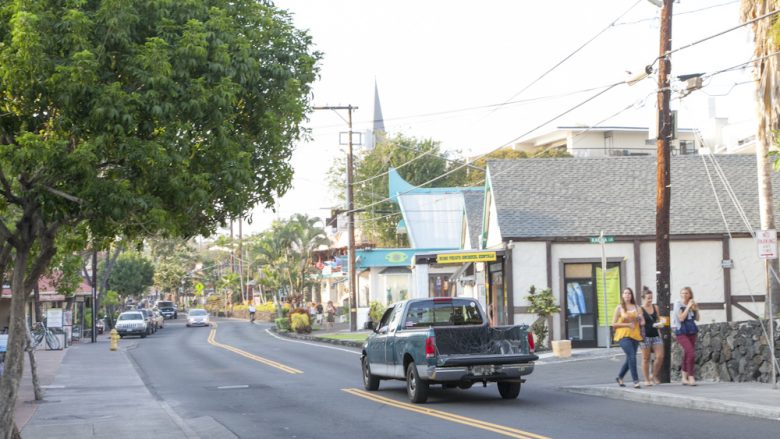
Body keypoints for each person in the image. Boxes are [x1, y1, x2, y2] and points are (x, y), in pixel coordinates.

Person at [612, 287, 644, 389]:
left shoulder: (637, 307)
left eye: (629, 293)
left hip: (635, 335)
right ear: (622, 295)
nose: (627, 295)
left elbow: (643, 322)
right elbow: (613, 324)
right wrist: (627, 325)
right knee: (632, 356)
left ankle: (620, 377)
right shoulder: (619, 308)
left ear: (632, 295)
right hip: (623, 335)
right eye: (625, 293)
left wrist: (639, 319)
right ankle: (636, 381)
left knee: (630, 358)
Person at [672, 286, 700, 386]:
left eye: (686, 293)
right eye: (682, 293)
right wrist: (688, 307)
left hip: (692, 331)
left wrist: (696, 308)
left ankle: (684, 378)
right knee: (690, 353)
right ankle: (691, 376)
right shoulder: (678, 304)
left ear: (690, 295)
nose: (684, 295)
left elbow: (697, 319)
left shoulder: (691, 304)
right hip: (681, 331)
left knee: (687, 354)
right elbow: (681, 318)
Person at [639, 287, 664, 386]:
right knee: (646, 358)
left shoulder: (655, 307)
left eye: (651, 298)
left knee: (660, 356)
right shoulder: (640, 309)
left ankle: (653, 375)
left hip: (655, 334)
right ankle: (646, 379)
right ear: (643, 298)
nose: (650, 300)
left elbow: (658, 319)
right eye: (648, 298)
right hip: (645, 336)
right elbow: (640, 323)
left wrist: (660, 324)